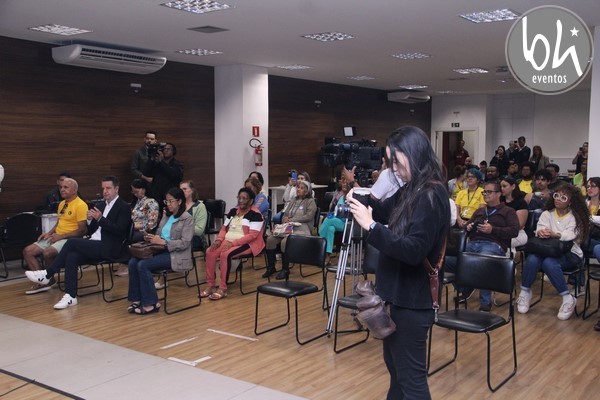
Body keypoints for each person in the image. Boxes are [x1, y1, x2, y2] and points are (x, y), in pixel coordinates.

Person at [347, 126, 450, 399]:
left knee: (411, 380)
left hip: (412, 302)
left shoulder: (431, 194)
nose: (392, 168)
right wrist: (357, 197)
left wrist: (371, 227)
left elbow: (414, 251)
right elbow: (383, 209)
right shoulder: (414, 188)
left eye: (396, 160)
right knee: (397, 371)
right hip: (396, 297)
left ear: (413, 154)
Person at [24, 176, 131, 309]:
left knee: (72, 243)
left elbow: (119, 231)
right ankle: (70, 296)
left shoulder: (123, 207)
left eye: (108, 188)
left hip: (111, 247)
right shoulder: (101, 205)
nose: (105, 191)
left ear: (116, 189)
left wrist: (100, 219)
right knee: (72, 256)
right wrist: (90, 220)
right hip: (94, 243)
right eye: (103, 188)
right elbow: (91, 230)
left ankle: (48, 274)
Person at [517, 184, 589, 320]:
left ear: (570, 201)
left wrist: (555, 234)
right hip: (547, 250)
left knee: (549, 263)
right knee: (532, 259)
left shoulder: (575, 217)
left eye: (563, 197)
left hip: (570, 253)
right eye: (556, 196)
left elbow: (570, 235)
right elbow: (540, 228)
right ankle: (525, 292)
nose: (558, 199)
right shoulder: (547, 214)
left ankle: (567, 298)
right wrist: (541, 232)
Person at [453, 181, 520, 311]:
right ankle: (466, 287)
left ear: (499, 194)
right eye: (484, 192)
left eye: (489, 192)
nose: (485, 194)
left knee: (482, 260)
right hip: (473, 242)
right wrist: (468, 227)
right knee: (450, 260)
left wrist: (493, 230)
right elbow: (466, 227)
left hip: (494, 244)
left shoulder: (508, 211)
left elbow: (514, 231)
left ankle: (485, 302)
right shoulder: (480, 211)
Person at [127, 187, 194, 315]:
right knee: (133, 262)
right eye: (166, 201)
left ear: (179, 201)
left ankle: (151, 303)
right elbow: (159, 234)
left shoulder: (187, 218)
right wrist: (151, 237)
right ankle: (137, 299)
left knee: (143, 265)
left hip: (175, 254)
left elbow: (185, 243)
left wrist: (164, 242)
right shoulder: (166, 216)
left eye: (171, 201)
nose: (168, 204)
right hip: (159, 250)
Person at [23, 178, 88, 294]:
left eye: (66, 187)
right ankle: (44, 281)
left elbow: (82, 230)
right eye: (61, 187)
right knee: (28, 251)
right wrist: (49, 233)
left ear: (74, 190)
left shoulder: (81, 205)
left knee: (47, 253)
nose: (62, 189)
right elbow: (59, 222)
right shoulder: (62, 204)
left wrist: (61, 237)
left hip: (70, 239)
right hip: (56, 236)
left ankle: (47, 278)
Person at [200, 187, 265, 300]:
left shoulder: (256, 214)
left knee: (225, 254)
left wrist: (233, 243)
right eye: (239, 198)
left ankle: (223, 288)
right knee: (210, 251)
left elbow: (252, 236)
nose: (241, 200)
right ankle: (211, 285)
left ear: (250, 201)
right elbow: (224, 228)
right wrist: (219, 240)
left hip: (247, 243)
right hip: (228, 241)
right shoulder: (233, 211)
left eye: (244, 198)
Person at [154, 180, 207, 289]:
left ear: (192, 191)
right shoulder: (172, 207)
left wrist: (183, 230)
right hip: (174, 237)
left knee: (170, 241)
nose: (182, 191)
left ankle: (163, 276)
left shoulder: (199, 207)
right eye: (180, 189)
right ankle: (161, 275)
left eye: (185, 189)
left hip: (194, 238)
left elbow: (199, 230)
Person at [263, 180, 317, 280]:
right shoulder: (294, 200)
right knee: (270, 240)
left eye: (301, 188)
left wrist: (292, 219)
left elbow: (308, 217)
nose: (298, 189)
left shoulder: (310, 201)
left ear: (307, 192)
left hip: (302, 228)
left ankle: (285, 269)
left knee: (285, 241)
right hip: (288, 227)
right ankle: (271, 267)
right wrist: (284, 219)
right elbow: (286, 214)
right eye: (298, 187)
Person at [318, 177, 350, 266]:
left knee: (328, 220)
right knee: (330, 229)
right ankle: (327, 256)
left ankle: (319, 243)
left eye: (346, 182)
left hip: (347, 224)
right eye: (343, 182)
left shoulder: (352, 198)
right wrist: (332, 214)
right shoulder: (341, 197)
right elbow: (335, 211)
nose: (344, 184)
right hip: (337, 221)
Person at [145, 142, 184, 208]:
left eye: (168, 149)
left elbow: (173, 175)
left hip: (169, 197)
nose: (165, 151)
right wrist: (151, 158)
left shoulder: (177, 164)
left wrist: (162, 161)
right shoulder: (158, 164)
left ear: (173, 152)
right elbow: (147, 173)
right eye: (164, 149)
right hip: (156, 196)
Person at [501, 177, 529, 252]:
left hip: (517, 233)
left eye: (504, 186)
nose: (502, 189)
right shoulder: (499, 201)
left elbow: (519, 225)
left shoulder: (521, 203)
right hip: (500, 230)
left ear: (513, 186)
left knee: (499, 241)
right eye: (501, 186)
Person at [129, 179, 160, 243]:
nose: (135, 194)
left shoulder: (151, 202)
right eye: (133, 192)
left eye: (137, 192)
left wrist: (138, 226)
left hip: (143, 232)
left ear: (143, 189)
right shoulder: (136, 202)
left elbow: (152, 224)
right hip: (131, 228)